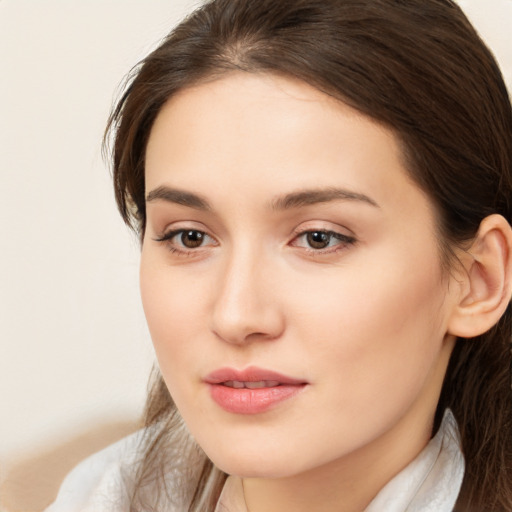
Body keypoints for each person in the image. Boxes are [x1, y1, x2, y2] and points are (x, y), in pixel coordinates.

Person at [45, 0, 512, 511]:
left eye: (319, 238)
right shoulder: (98, 496)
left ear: (478, 279)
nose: (236, 316)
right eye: (190, 237)